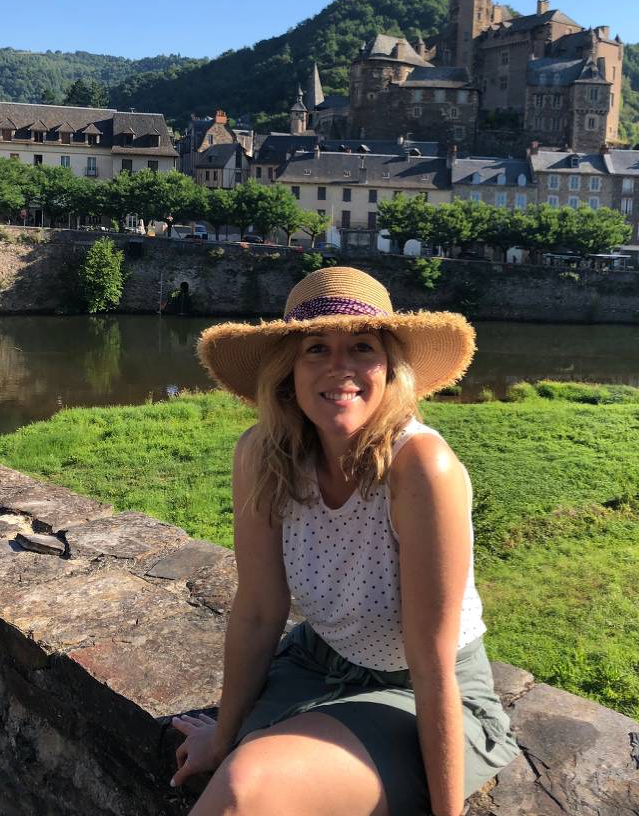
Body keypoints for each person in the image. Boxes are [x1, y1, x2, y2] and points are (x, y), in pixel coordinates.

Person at [171, 266, 520, 815]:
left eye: (361, 346)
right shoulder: (262, 457)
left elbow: (430, 664)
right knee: (237, 784)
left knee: (247, 790)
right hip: (314, 664)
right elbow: (260, 612)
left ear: (389, 368)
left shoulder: (420, 466)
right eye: (316, 348)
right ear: (289, 370)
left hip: (419, 690)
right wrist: (222, 733)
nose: (340, 367)